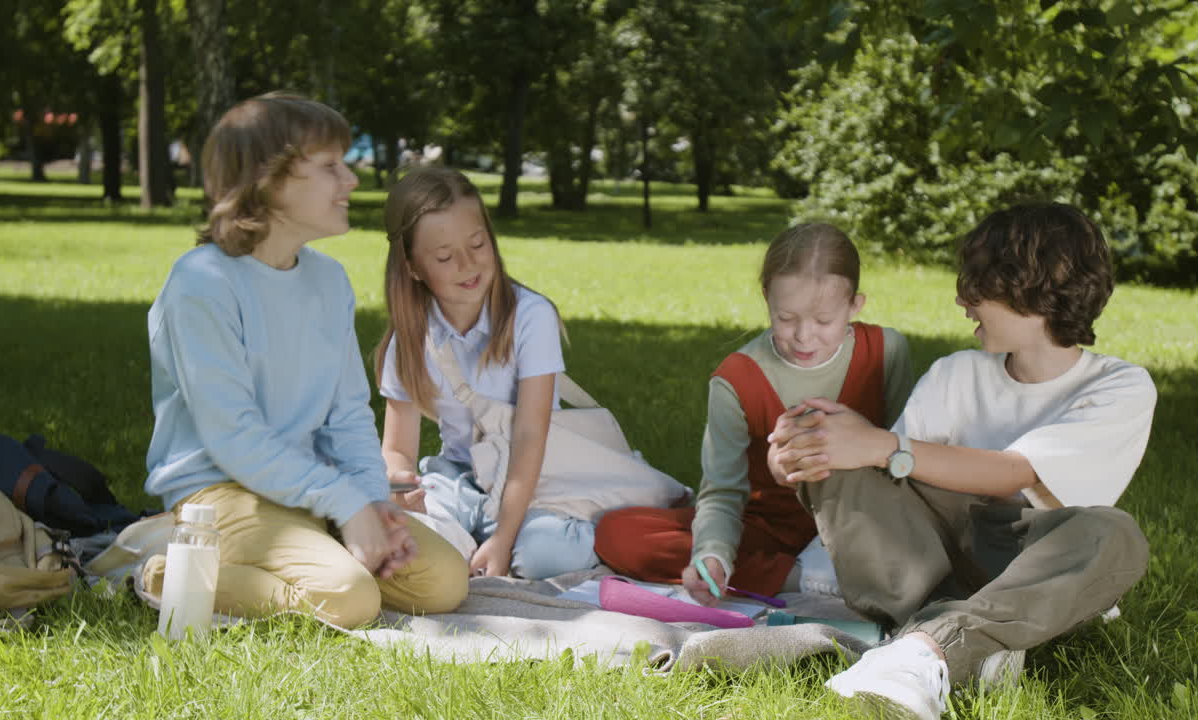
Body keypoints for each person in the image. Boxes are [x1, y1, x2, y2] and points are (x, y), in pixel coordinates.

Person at [771, 203, 1156, 720]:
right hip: (930, 565)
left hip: (1035, 570)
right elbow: (881, 478)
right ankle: (957, 647)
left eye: (979, 287)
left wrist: (882, 445)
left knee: (1113, 533)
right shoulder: (956, 374)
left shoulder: (1119, 386)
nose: (962, 300)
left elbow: (1013, 474)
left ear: (1034, 293)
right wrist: (806, 452)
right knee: (846, 455)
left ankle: (929, 646)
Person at [143, 93, 469, 630]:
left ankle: (316, 549)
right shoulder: (201, 284)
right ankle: (167, 571)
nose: (351, 181)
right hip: (221, 491)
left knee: (444, 581)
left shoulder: (328, 280)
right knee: (349, 598)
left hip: (310, 486)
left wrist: (371, 502)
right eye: (329, 167)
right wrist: (345, 504)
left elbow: (346, 412)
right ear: (268, 182)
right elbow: (234, 437)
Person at [594, 223, 912, 602]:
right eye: (786, 318)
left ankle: (818, 568)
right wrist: (712, 555)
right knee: (620, 534)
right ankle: (804, 578)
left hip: (862, 517)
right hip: (769, 526)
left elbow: (908, 455)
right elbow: (723, 492)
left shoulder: (885, 352)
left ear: (855, 305)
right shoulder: (737, 377)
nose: (804, 336)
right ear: (766, 298)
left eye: (824, 321)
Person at [375, 166, 598, 580]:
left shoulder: (531, 316)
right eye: (444, 256)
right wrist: (399, 481)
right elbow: (397, 449)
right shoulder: (409, 337)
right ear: (412, 268)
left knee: (540, 558)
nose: (466, 264)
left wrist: (505, 537)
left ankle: (541, 534)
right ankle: (460, 542)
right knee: (415, 540)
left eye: (478, 244)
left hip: (533, 479)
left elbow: (530, 437)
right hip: (457, 478)